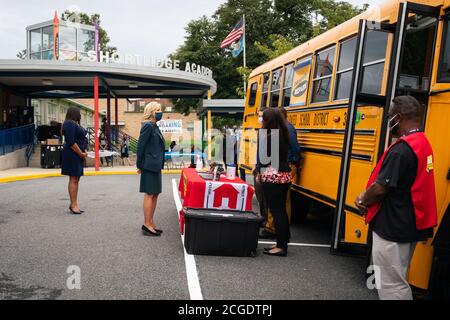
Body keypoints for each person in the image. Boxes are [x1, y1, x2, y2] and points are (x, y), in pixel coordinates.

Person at [355, 95, 438, 300]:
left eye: (390, 116)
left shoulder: (402, 149)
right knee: (397, 276)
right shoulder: (422, 142)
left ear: (399, 117)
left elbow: (381, 188)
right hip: (409, 222)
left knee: (391, 284)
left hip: (393, 225)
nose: (389, 120)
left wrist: (362, 200)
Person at [256, 108, 292, 256]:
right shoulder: (283, 134)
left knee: (277, 212)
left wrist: (260, 174)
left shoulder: (270, 137)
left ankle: (281, 246)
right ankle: (281, 243)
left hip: (273, 178)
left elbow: (265, 161)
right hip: (284, 176)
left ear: (268, 120)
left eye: (263, 118)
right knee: (281, 211)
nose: (261, 120)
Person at [137, 102, 166, 236]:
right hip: (148, 165)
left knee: (155, 193)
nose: (160, 112)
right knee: (149, 193)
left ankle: (151, 222)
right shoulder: (148, 126)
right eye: (158, 110)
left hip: (156, 165)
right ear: (151, 111)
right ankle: (146, 224)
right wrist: (139, 165)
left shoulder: (155, 126)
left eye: (160, 109)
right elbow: (140, 146)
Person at [61, 107, 88, 215]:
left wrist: (83, 151)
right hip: (72, 154)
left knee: (76, 178)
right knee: (74, 179)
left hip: (76, 154)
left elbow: (78, 139)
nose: (80, 115)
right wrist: (81, 153)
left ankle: (74, 203)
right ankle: (73, 205)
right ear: (75, 114)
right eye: (79, 113)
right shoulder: (70, 123)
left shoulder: (73, 123)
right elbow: (71, 141)